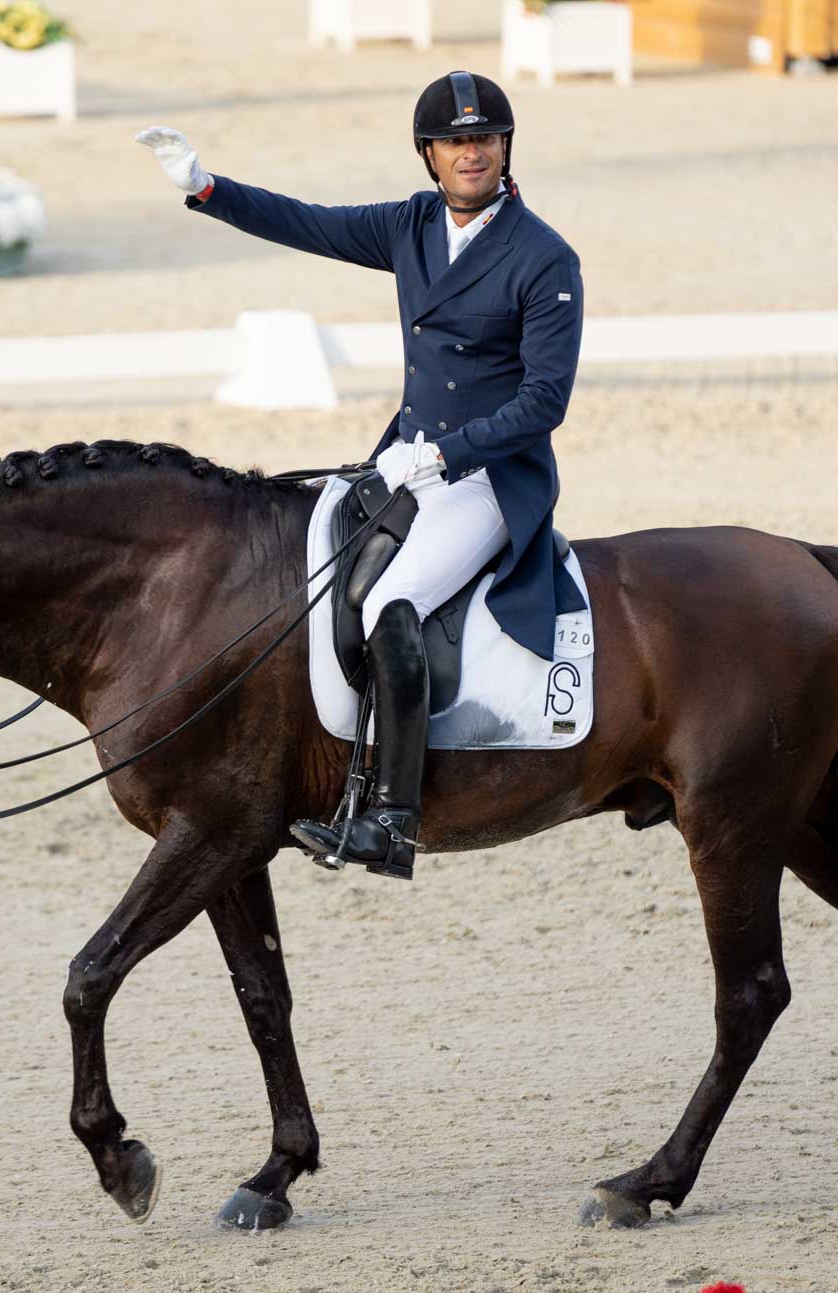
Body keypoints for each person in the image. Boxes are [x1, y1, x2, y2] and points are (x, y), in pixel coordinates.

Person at [135, 71, 586, 882]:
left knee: (388, 600)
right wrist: (206, 187)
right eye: (454, 142)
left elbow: (545, 400)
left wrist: (447, 453)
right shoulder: (411, 226)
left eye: (483, 140)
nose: (470, 153)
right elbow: (309, 223)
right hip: (403, 460)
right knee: (312, 572)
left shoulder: (543, 256)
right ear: (429, 155)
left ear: (505, 148)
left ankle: (392, 818)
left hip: (486, 480)